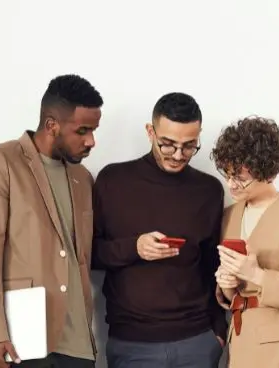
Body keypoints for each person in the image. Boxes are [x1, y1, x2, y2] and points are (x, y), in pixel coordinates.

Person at [0, 74, 103, 368]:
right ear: (51, 125)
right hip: (22, 341)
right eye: (82, 130)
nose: (91, 140)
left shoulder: (83, 178)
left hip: (78, 346)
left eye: (93, 130)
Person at [91, 92, 226, 368]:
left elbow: (213, 265)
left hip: (198, 341)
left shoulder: (209, 190)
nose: (178, 155)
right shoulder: (113, 180)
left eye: (189, 146)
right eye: (168, 145)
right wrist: (134, 248)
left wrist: (219, 331)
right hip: (133, 344)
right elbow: (88, 254)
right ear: (150, 132)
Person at [211, 116, 279, 367]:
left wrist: (258, 275)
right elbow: (238, 292)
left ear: (269, 172)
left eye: (240, 177)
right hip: (241, 337)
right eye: (227, 173)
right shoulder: (230, 215)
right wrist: (227, 285)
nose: (230, 184)